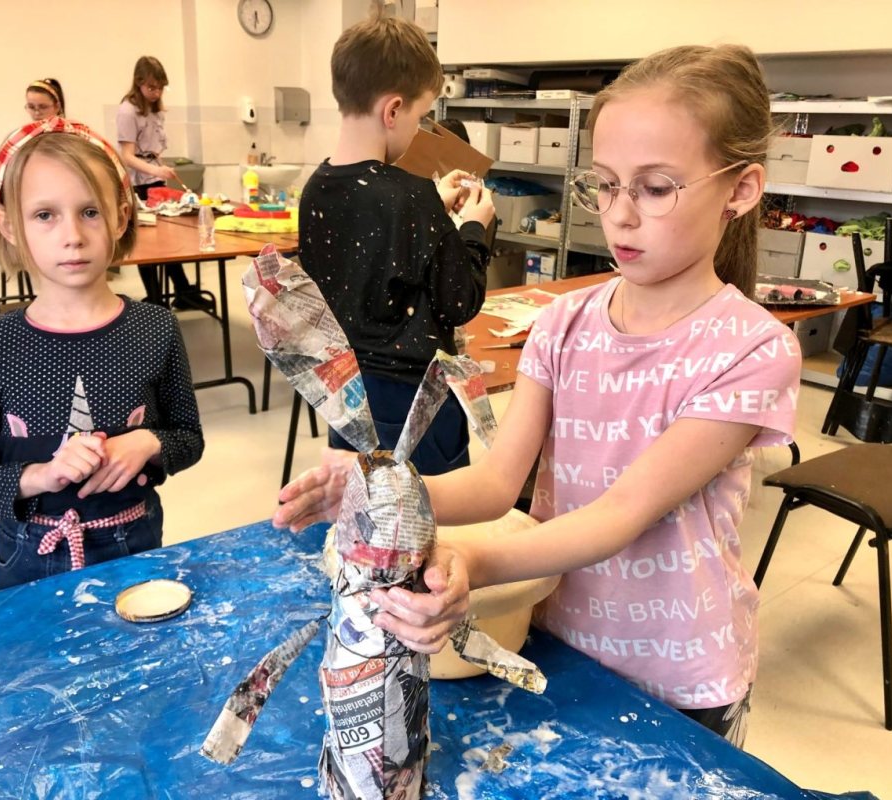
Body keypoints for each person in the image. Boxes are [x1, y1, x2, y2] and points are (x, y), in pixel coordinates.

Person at [274, 44, 803, 747]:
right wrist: (385, 488)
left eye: (655, 188)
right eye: (605, 185)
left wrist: (475, 563)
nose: (619, 215)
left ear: (740, 189)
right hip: (559, 638)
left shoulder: (750, 349)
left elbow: (620, 513)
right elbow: (497, 482)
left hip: (679, 674)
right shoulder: (562, 323)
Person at [0, 118, 205, 591]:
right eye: (45, 215)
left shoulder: (156, 327)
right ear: (10, 225)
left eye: (90, 212)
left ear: (121, 216)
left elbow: (188, 437)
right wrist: (42, 475)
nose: (73, 236)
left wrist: (148, 443)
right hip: (28, 555)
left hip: (134, 545)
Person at [298, 14, 495, 475]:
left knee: (362, 503)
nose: (419, 128)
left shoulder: (316, 189)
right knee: (429, 511)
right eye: (421, 117)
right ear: (392, 110)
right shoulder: (410, 196)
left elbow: (370, 256)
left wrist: (431, 211)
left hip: (346, 393)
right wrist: (472, 229)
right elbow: (460, 301)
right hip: (415, 399)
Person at [116, 55, 210, 311]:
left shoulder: (155, 108)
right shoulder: (128, 110)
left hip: (154, 177)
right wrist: (156, 170)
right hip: (138, 183)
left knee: (167, 239)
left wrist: (160, 168)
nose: (156, 92)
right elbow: (127, 156)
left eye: (160, 88)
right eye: (151, 87)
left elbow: (152, 148)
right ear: (138, 83)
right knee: (147, 243)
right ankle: (155, 297)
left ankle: (183, 291)